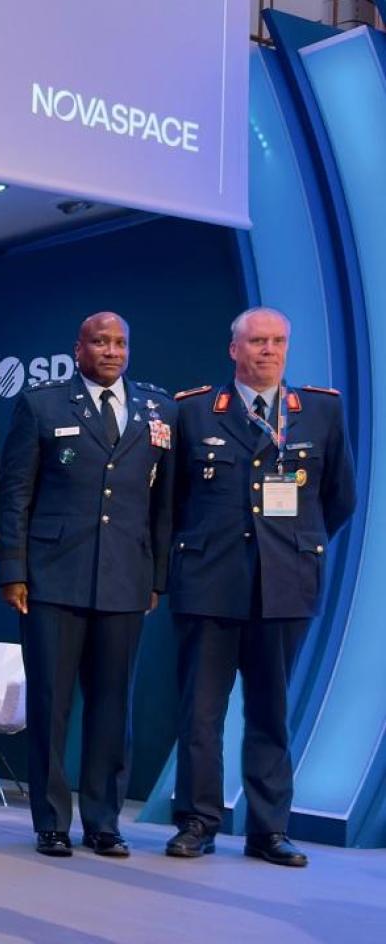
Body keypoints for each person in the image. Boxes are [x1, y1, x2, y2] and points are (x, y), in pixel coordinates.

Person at [165, 307, 354, 867]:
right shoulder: (194, 411)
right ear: (234, 349)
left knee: (271, 712)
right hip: (210, 584)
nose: (268, 351)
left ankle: (269, 830)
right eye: (256, 342)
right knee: (201, 713)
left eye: (277, 341)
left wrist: (292, 547)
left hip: (284, 586)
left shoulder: (320, 411)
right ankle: (197, 822)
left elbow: (338, 498)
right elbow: (171, 501)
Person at [0, 312, 173, 858]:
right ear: (79, 349)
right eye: (101, 342)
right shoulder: (42, 404)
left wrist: (156, 577)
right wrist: (14, 569)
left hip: (125, 579)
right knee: (50, 705)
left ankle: (104, 821)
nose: (112, 351)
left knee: (113, 707)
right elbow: (15, 493)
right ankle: (51, 821)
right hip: (53, 578)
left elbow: (163, 504)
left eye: (120, 342)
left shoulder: (157, 409)